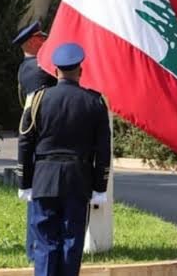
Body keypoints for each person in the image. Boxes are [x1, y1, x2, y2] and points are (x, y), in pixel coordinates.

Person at [17, 43, 111, 276]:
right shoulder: (94, 102)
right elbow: (103, 150)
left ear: (56, 71)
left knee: (45, 243)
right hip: (78, 179)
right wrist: (100, 187)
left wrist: (25, 182)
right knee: (72, 241)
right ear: (80, 71)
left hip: (44, 180)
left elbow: (25, 142)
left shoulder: (38, 100)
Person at [12, 21, 57, 262]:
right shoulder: (37, 68)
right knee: (38, 199)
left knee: (38, 198)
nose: (45, 41)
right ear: (31, 42)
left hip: (37, 140)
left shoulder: (30, 66)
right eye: (41, 38)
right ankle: (36, 249)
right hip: (39, 140)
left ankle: (36, 248)